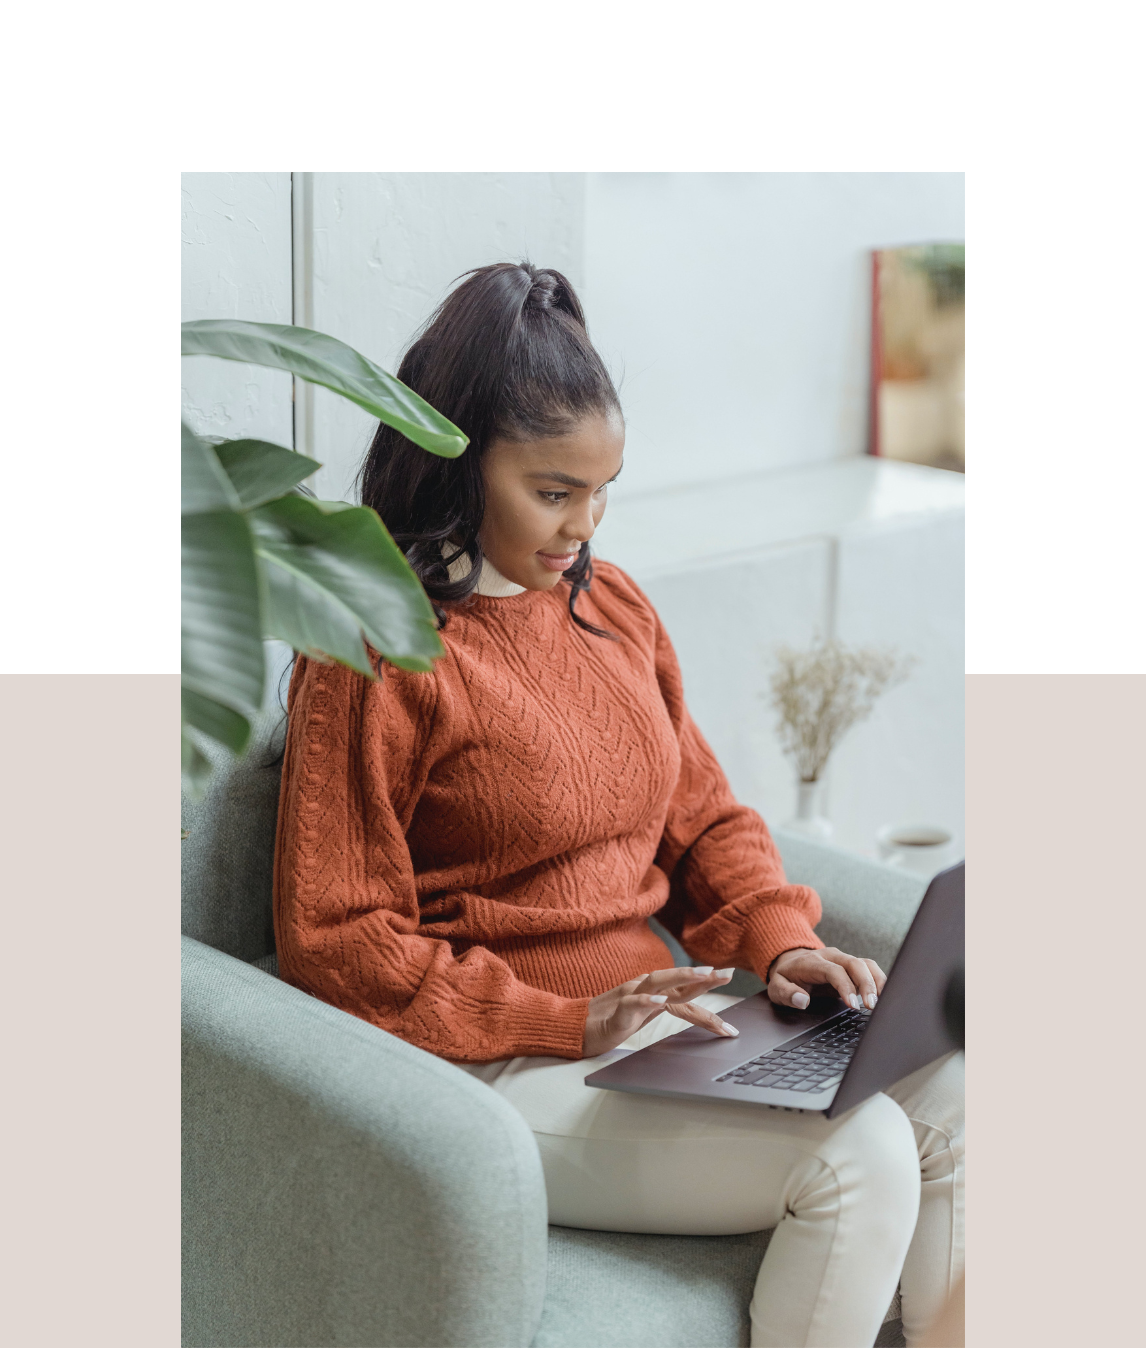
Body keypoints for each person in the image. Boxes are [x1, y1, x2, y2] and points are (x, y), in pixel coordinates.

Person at [273, 262, 964, 1348]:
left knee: (960, 1088)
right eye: (553, 493)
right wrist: (565, 1021)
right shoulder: (372, 649)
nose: (583, 528)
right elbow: (337, 937)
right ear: (455, 463)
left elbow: (703, 821)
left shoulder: (612, 606)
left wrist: (783, 942)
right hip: (499, 1066)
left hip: (657, 1039)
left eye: (603, 491)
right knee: (859, 1152)